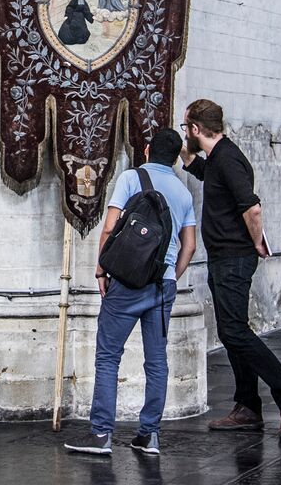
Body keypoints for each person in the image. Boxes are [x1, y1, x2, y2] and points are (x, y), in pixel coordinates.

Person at [65, 128, 198, 458]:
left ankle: (101, 435)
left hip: (127, 282)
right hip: (162, 284)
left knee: (109, 357)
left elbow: (110, 227)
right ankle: (149, 435)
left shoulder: (130, 177)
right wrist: (170, 276)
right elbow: (190, 245)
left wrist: (101, 269)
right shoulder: (183, 193)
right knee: (157, 361)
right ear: (177, 158)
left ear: (149, 149)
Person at [180, 98, 281, 437]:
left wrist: (254, 242)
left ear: (196, 129)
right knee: (231, 331)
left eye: (185, 128)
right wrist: (186, 158)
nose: (185, 133)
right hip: (225, 256)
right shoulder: (219, 158)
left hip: (234, 257)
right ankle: (248, 406)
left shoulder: (229, 159)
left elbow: (251, 208)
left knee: (235, 331)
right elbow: (211, 176)